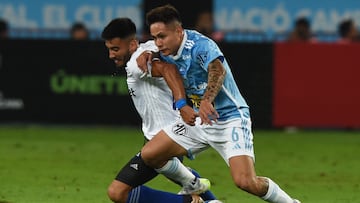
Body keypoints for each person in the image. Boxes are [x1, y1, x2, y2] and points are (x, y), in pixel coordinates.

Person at [137, 4, 301, 203]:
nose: (158, 42)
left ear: (179, 31)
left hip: (229, 118)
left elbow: (217, 70)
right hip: (200, 120)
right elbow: (152, 51)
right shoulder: (163, 48)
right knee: (150, 154)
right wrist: (151, 55)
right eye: (155, 37)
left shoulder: (200, 45)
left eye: (162, 36)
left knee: (246, 182)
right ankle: (193, 184)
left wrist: (206, 100)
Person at [101, 18, 219, 203]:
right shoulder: (146, 50)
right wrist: (152, 50)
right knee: (187, 178)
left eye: (115, 49)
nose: (111, 55)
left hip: (164, 141)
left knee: (118, 192)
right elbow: (159, 45)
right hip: (165, 137)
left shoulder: (136, 64)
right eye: (109, 49)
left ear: (132, 44)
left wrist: (182, 105)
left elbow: (169, 69)